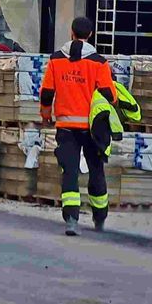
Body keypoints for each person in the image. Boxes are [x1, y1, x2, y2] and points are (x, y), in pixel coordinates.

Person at [40, 16, 117, 236]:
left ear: (71, 33)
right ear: (91, 35)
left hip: (65, 127)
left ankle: (72, 220)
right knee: (96, 171)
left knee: (70, 172)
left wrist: (46, 115)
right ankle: (99, 218)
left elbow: (47, 92)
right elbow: (108, 95)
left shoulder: (56, 60)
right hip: (93, 129)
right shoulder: (99, 62)